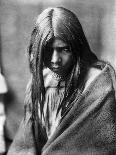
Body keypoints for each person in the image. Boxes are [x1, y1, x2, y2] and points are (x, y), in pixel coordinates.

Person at [7, 7, 116, 155]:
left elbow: (101, 146)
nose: (55, 60)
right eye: (48, 50)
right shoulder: (40, 81)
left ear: (77, 48)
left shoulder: (98, 84)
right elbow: (25, 142)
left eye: (64, 49)